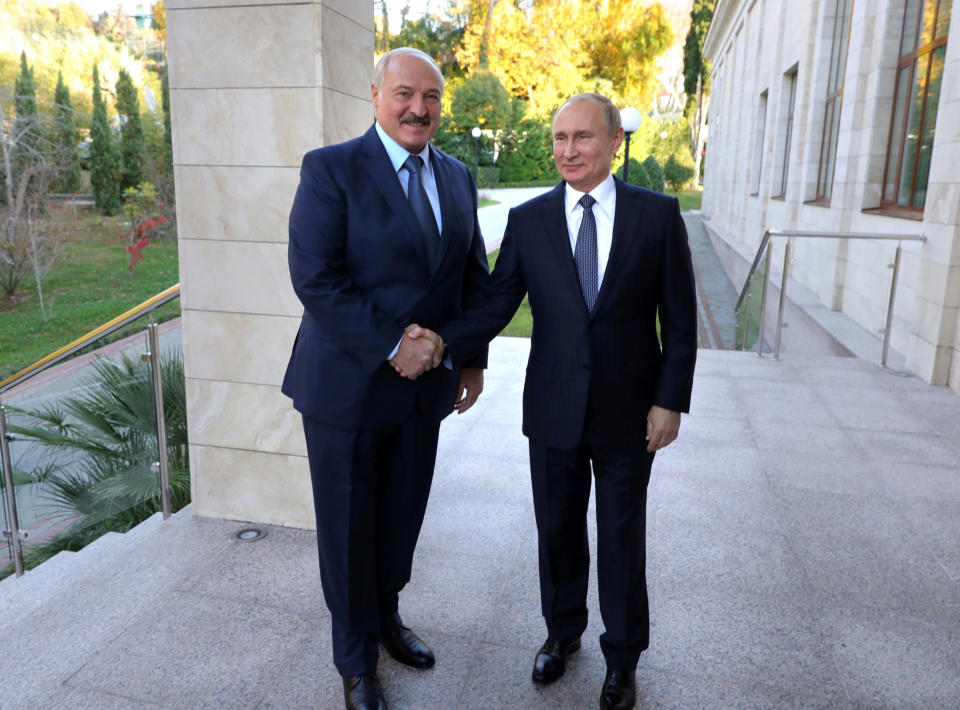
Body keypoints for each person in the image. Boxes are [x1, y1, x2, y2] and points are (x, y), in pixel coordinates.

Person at [412, 92, 697, 710]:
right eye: (560, 138)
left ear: (615, 140)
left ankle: (623, 657)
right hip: (553, 408)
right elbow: (495, 302)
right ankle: (562, 633)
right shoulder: (530, 219)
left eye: (583, 138)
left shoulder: (658, 216)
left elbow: (679, 319)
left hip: (630, 412)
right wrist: (443, 342)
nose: (568, 151)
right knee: (558, 530)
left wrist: (670, 400)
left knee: (621, 536)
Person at [281, 47, 489, 710]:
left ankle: (387, 619)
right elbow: (316, 276)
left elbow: (471, 277)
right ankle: (354, 658)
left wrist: (471, 357)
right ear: (375, 95)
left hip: (424, 391)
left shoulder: (456, 176)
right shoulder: (331, 170)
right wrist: (392, 342)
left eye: (430, 97)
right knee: (348, 528)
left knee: (401, 516)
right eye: (404, 93)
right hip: (346, 388)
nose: (418, 108)